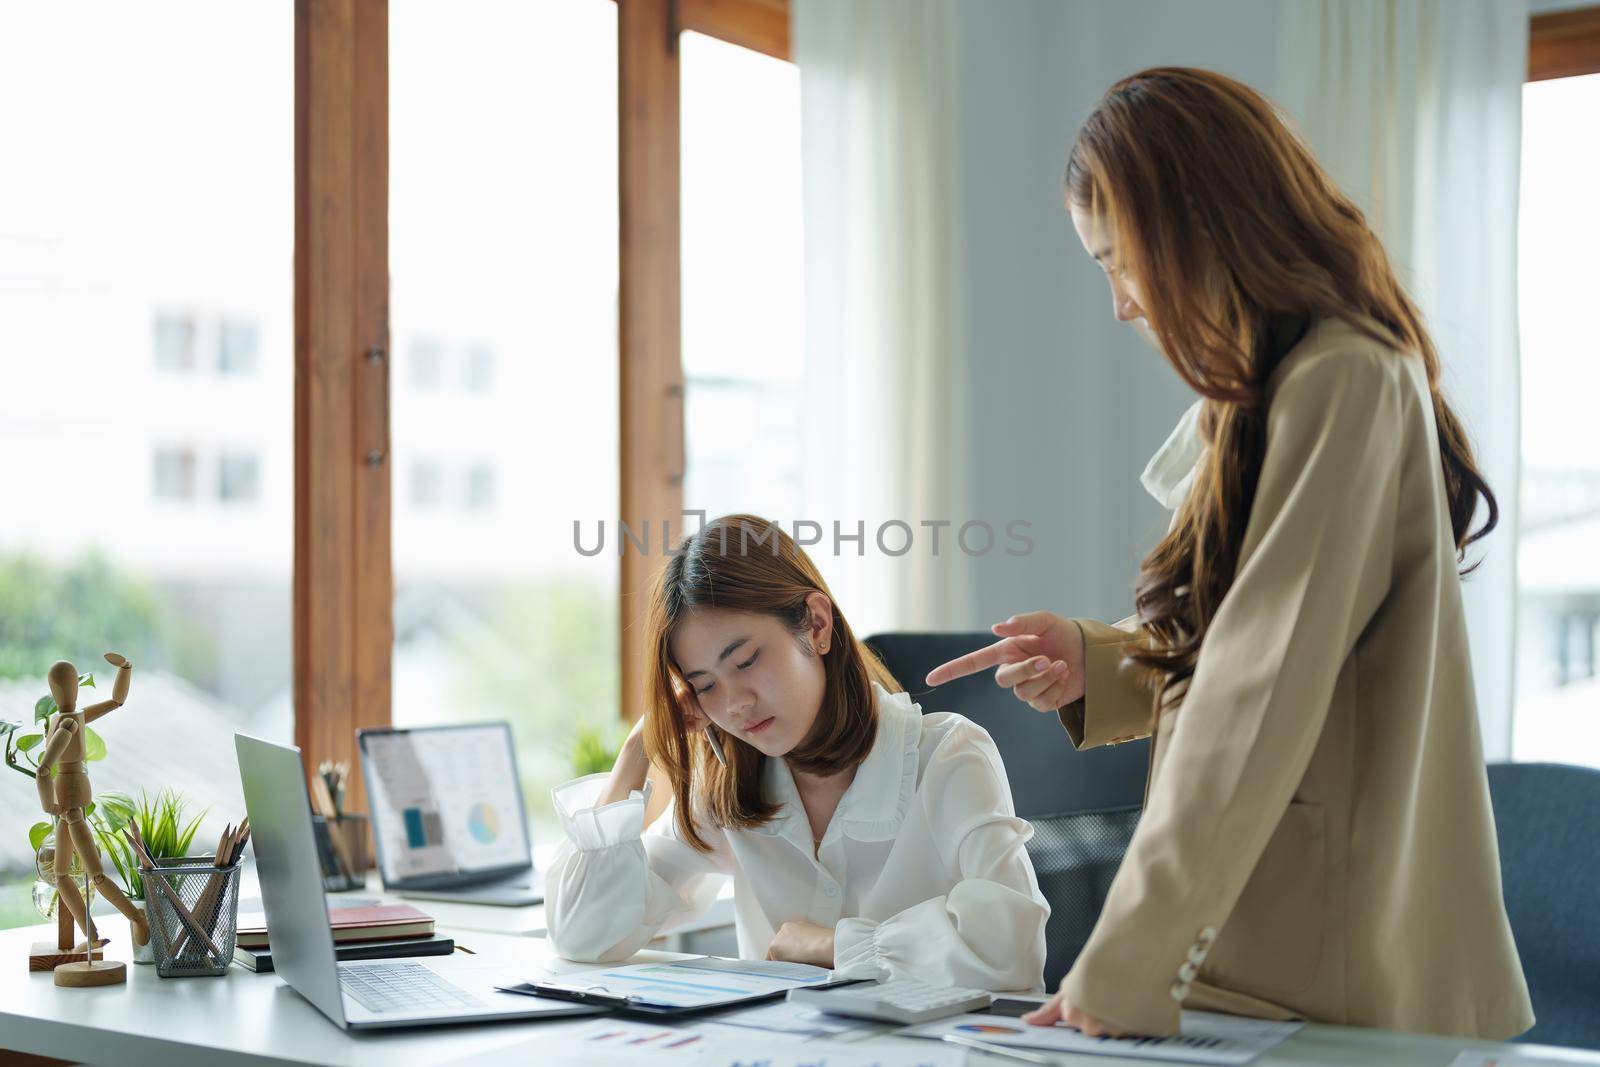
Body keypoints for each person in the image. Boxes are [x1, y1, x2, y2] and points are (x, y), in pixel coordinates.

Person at [928, 68, 1534, 1039]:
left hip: (1339, 964)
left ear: (1202, 226)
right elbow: (1248, 638)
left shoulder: (1341, 380)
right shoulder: (1260, 396)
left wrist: (1120, 962)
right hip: (1270, 953)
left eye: (1119, 261)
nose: (1121, 303)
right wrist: (1101, 658)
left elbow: (1259, 688)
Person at [544, 513, 1050, 992]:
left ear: (816, 624)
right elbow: (585, 936)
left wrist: (838, 946)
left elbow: (1012, 949)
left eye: (745, 660)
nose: (735, 705)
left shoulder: (948, 756)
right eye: (704, 687)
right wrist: (637, 752)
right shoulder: (726, 788)